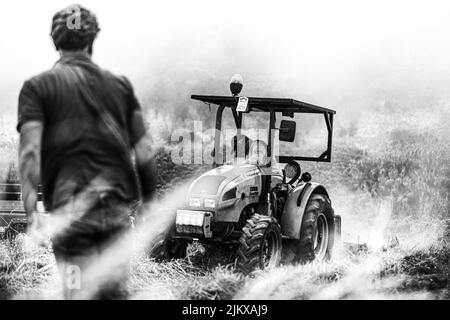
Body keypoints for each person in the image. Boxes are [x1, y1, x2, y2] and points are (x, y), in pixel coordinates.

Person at [17, 4, 157, 299]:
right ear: (92, 40)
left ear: (55, 41)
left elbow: (30, 152)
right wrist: (148, 202)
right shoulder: (120, 86)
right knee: (112, 293)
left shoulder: (36, 88)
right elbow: (144, 149)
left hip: (71, 218)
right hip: (117, 213)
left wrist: (33, 210)